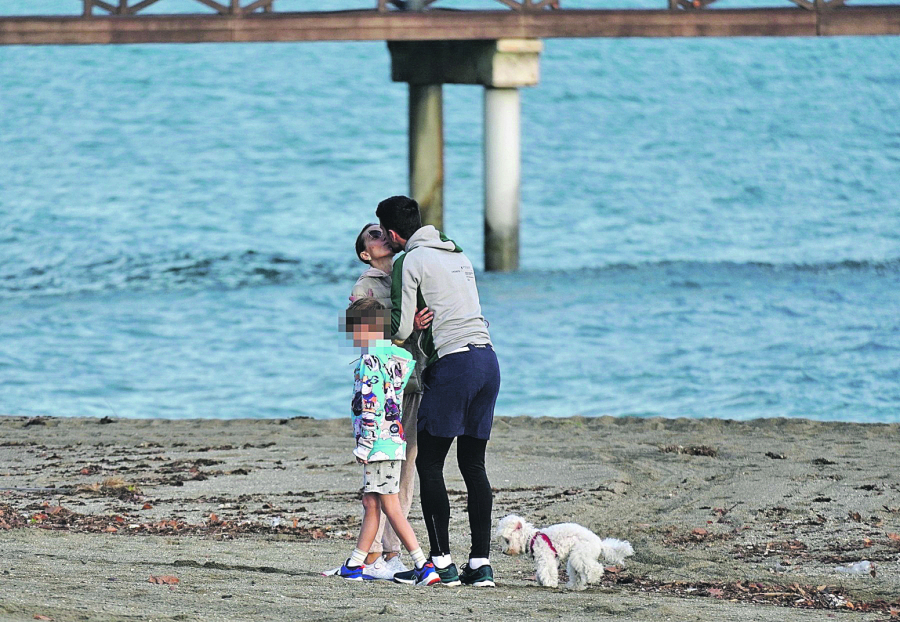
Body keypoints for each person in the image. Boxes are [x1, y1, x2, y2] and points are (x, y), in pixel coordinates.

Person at [377, 195, 501, 588]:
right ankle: (480, 565)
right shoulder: (459, 256)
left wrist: (404, 323)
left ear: (395, 233)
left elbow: (398, 329)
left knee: (429, 464)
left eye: (384, 233)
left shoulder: (408, 261)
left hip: (454, 365)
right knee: (473, 465)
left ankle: (441, 563)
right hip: (488, 361)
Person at [335, 297, 440, 586]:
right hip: (394, 442)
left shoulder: (370, 360)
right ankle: (355, 564)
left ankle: (423, 564)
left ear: (367, 329)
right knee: (372, 501)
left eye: (354, 330)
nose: (352, 337)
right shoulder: (397, 358)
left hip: (378, 443)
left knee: (390, 506)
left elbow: (371, 405)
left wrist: (364, 445)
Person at [348, 223, 433, 579]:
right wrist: (407, 326)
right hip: (388, 395)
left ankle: (384, 554)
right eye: (372, 235)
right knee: (386, 480)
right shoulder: (364, 287)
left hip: (413, 379)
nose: (381, 236)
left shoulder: (408, 270)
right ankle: (385, 553)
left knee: (404, 468)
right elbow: (367, 338)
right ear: (365, 253)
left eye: (383, 231)